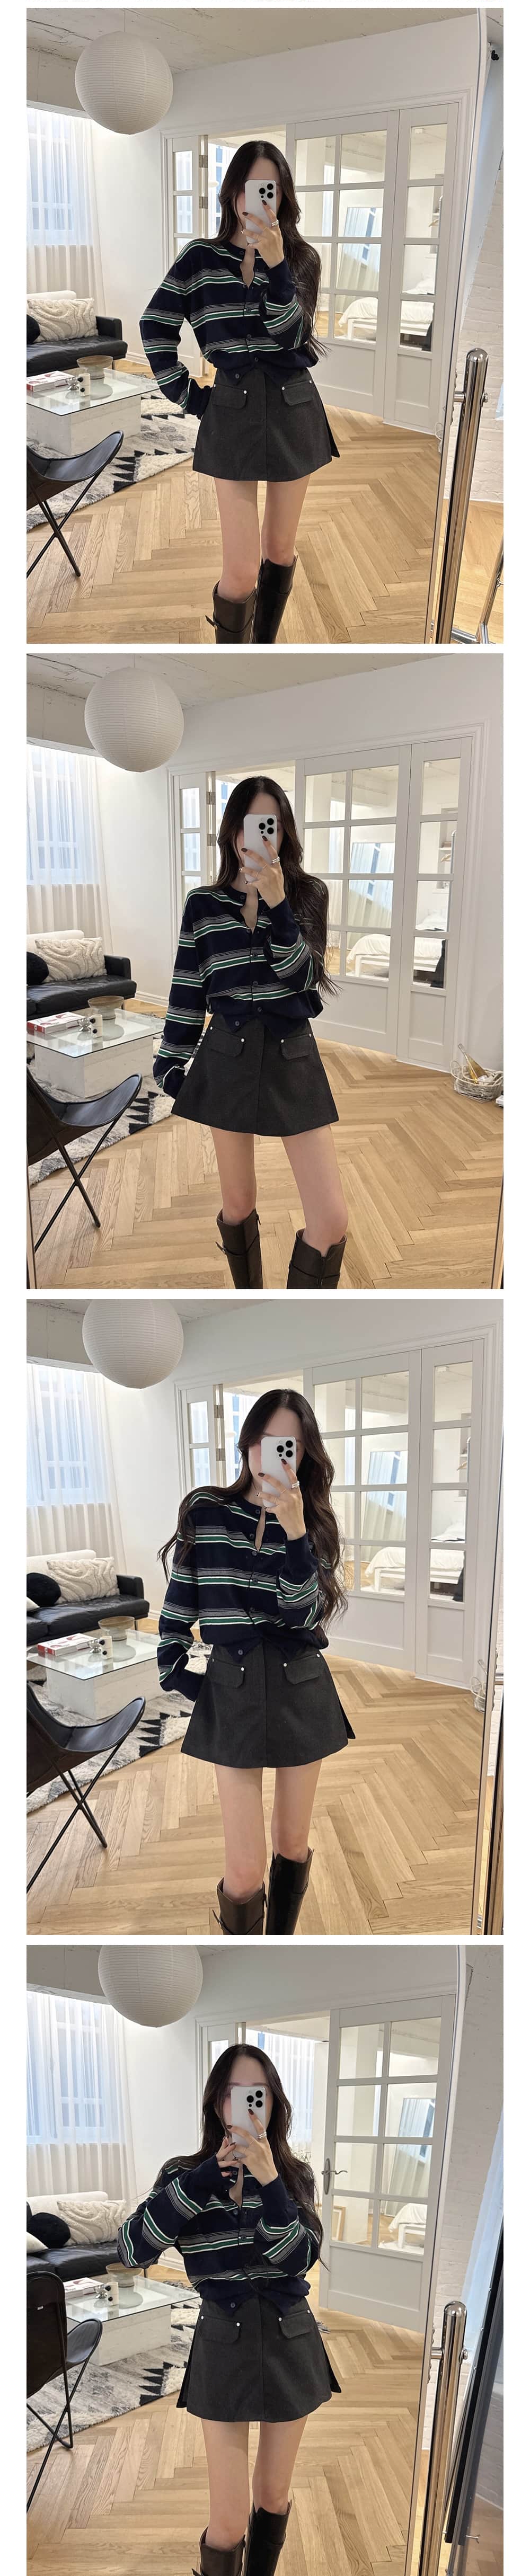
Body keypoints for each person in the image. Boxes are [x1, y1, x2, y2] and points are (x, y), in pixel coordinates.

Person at [117, 2041, 340, 2576]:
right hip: (223, 2338)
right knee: (228, 2521)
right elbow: (131, 2251)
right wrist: (195, 2187)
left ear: (273, 2102)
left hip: (290, 2337)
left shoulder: (293, 2176)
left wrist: (270, 2183)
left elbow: (298, 2259)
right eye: (233, 2093)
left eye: (256, 2093)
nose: (244, 2104)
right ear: (217, 2102)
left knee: (274, 2495)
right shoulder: (182, 2174)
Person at [158, 1387, 355, 1936]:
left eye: (289, 1445)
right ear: (247, 1443)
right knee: (243, 1873)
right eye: (267, 1441)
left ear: (304, 1454)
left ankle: (280, 1948)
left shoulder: (313, 1524)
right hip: (233, 1682)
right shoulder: (206, 1511)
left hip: (301, 1683)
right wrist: (179, 1673)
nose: (275, 1455)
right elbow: (180, 1602)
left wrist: (295, 1533)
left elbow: (301, 1614)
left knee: (291, 1843)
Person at [153, 774, 349, 1289]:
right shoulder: (202, 904)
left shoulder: (308, 895)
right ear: (232, 831)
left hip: (291, 1054)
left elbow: (303, 977)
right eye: (250, 823)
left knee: (331, 1219)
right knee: (237, 1203)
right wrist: (171, 1061)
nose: (258, 836)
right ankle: (253, 1299)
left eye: (271, 825)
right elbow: (188, 986)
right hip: (227, 1053)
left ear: (283, 833)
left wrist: (278, 905)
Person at [140, 139, 338, 645]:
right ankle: (232, 658)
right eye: (253, 187)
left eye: (272, 189)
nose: (261, 199)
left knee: (280, 549)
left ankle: (262, 653)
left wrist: (277, 268)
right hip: (231, 407)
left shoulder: (302, 259)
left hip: (294, 406)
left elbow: (292, 336)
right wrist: (189, 396)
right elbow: (155, 324)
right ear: (233, 193)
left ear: (283, 196)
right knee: (241, 571)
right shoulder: (199, 259)